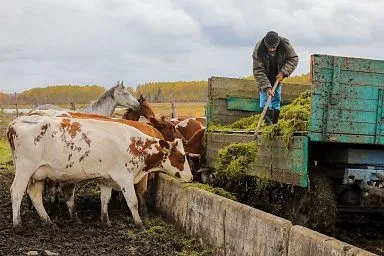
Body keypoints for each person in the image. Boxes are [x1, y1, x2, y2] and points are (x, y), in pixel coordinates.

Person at [252, 31, 299, 125]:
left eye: (274, 47)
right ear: (265, 44)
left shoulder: (284, 44)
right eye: (269, 47)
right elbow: (258, 71)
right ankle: (267, 124)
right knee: (265, 100)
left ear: (277, 44)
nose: (272, 50)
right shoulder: (259, 49)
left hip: (278, 74)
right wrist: (267, 87)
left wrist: (283, 72)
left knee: (276, 98)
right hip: (264, 75)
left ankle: (274, 124)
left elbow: (293, 59)